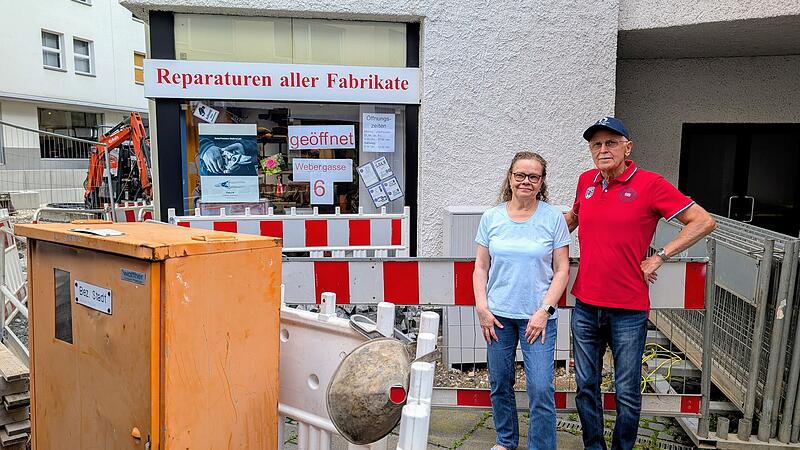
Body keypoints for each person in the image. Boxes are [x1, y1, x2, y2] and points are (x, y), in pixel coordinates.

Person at [564, 117, 716, 450]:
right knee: (586, 386)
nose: (603, 150)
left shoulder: (650, 184)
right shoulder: (585, 181)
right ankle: (593, 447)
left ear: (627, 148)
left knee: (627, 391)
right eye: (597, 144)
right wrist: (531, 234)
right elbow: (572, 220)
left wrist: (661, 254)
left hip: (628, 310)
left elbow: (703, 221)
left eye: (611, 143)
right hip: (586, 305)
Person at [473, 151, 571, 450]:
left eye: (533, 176)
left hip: (538, 318)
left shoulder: (553, 218)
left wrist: (545, 310)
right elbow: (480, 267)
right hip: (497, 317)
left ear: (542, 182)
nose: (526, 181)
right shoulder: (492, 217)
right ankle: (506, 441)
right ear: (510, 178)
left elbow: (562, 269)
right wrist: (482, 307)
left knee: (541, 387)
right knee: (500, 383)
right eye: (520, 175)